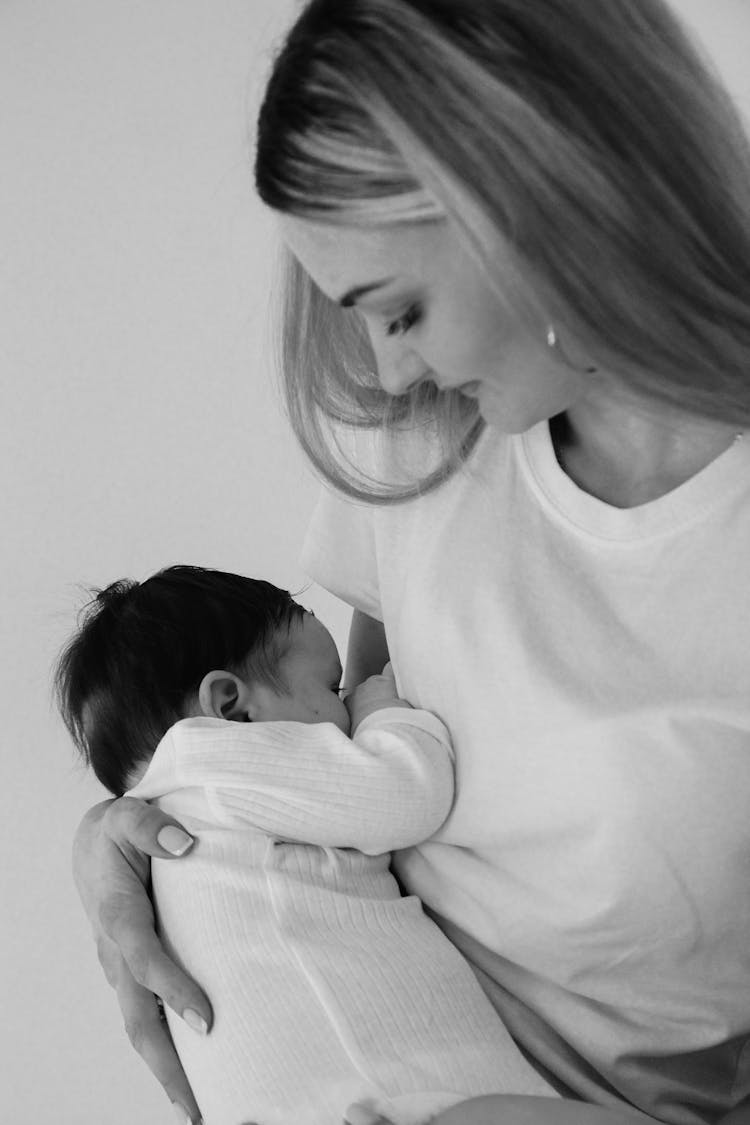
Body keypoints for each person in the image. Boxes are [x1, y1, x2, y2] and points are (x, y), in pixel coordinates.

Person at [71, 1, 750, 1123]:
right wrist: (135, 836)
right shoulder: (427, 435)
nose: (387, 376)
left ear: (542, 198)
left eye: (404, 310)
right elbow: (331, 737)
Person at [56, 565, 557, 1125]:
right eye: (333, 687)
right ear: (232, 708)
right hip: (390, 1096)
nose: (346, 710)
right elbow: (407, 790)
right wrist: (382, 706)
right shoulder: (219, 761)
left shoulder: (175, 818)